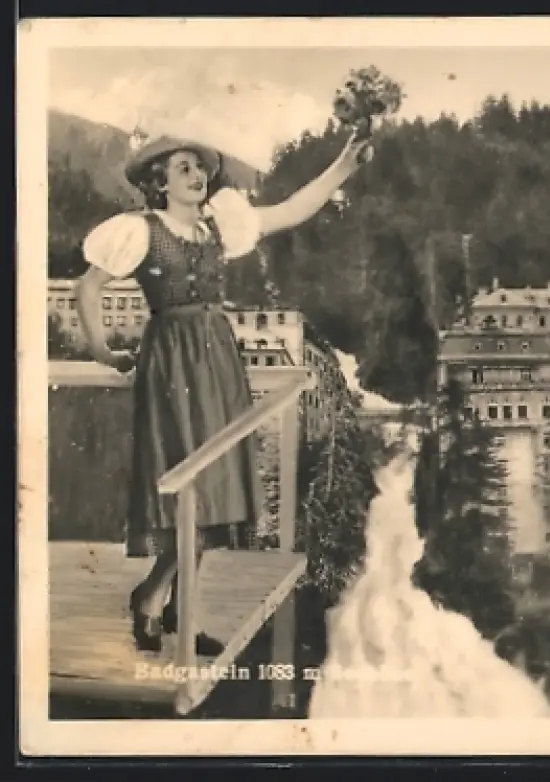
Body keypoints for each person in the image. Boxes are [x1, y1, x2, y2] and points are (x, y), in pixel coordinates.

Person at [76, 129, 374, 654]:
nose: (198, 176)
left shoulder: (219, 227)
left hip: (218, 362)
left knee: (216, 489)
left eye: (200, 168)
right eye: (184, 168)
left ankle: (170, 604)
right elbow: (88, 287)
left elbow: (293, 210)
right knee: (190, 484)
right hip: (173, 363)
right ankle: (154, 598)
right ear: (159, 183)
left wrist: (344, 165)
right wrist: (101, 349)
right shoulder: (141, 230)